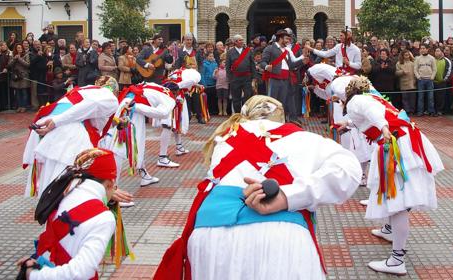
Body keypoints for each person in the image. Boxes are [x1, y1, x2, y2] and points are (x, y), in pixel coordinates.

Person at [154, 95, 362, 280]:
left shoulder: (223, 138)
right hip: (281, 237)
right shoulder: (304, 137)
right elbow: (349, 169)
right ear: (282, 117)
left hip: (209, 235)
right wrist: (288, 196)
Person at [339, 76, 443, 276]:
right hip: (406, 140)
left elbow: (373, 114)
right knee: (399, 197)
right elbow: (370, 113)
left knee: (397, 203)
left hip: (395, 145)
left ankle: (396, 260)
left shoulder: (356, 101)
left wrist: (383, 128)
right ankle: (389, 230)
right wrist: (350, 123)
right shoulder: (373, 97)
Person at [17, 148, 117, 280]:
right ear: (109, 184)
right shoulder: (104, 217)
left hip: (49, 266)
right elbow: (82, 271)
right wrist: (33, 275)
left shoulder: (63, 194)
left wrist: (35, 262)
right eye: (115, 187)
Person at [22, 76, 119, 198]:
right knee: (68, 183)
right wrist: (56, 122)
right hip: (67, 131)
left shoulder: (86, 90)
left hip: (53, 127)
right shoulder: (110, 97)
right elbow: (93, 104)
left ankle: (49, 211)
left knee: (50, 180)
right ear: (115, 92)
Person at [100, 83, 177, 206]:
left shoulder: (156, 87)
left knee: (137, 144)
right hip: (131, 109)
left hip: (129, 104)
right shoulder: (170, 99)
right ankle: (112, 193)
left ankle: (144, 175)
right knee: (120, 147)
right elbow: (162, 113)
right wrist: (137, 106)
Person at [156, 68, 201, 168]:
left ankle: (179, 147)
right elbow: (182, 85)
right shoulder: (187, 79)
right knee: (167, 125)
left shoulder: (177, 73)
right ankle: (162, 157)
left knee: (176, 123)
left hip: (173, 97)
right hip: (171, 98)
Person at [261, 30, 306, 123]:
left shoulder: (287, 51)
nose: (289, 41)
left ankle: (281, 120)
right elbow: (263, 61)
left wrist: (302, 61)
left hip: (285, 79)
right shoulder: (270, 48)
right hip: (274, 78)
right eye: (286, 39)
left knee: (282, 102)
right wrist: (266, 66)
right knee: (273, 101)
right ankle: (270, 121)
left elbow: (291, 65)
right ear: (280, 38)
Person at [175, 33, 207, 124]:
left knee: (197, 98)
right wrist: (178, 74)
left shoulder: (197, 51)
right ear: (184, 40)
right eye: (187, 39)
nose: (189, 41)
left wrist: (199, 74)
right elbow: (178, 64)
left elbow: (201, 64)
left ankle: (199, 116)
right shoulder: (180, 51)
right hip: (185, 78)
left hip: (195, 77)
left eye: (190, 40)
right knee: (186, 98)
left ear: (193, 40)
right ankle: (187, 116)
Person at [225, 34, 256, 113]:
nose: (242, 41)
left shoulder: (248, 51)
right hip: (235, 78)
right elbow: (227, 67)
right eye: (240, 40)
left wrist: (254, 77)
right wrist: (230, 78)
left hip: (247, 78)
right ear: (235, 42)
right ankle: (238, 115)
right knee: (236, 99)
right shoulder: (230, 52)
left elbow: (252, 64)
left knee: (248, 97)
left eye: (242, 40)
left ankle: (246, 114)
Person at [414, 44, 437, 116]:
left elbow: (434, 69)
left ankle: (431, 111)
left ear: (427, 49)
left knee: (430, 97)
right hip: (421, 80)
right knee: (420, 97)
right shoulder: (418, 58)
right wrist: (418, 77)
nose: (422, 50)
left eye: (424, 48)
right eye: (421, 48)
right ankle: (420, 112)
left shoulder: (432, 58)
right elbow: (415, 69)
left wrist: (432, 77)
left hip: (429, 80)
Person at [8, 43, 31, 113]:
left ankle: (24, 106)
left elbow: (28, 65)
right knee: (17, 92)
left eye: (20, 48)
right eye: (18, 48)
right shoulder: (12, 55)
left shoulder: (26, 55)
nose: (19, 49)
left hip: (24, 76)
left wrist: (20, 59)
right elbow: (9, 65)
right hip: (16, 76)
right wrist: (14, 59)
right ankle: (19, 106)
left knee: (24, 92)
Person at [396, 50, 417, 114]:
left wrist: (415, 80)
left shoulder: (413, 63)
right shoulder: (399, 63)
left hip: (412, 83)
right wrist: (402, 72)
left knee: (412, 98)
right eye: (405, 55)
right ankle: (407, 111)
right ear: (402, 56)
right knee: (405, 99)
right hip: (404, 83)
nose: (407, 56)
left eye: (408, 55)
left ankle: (412, 110)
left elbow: (416, 72)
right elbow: (396, 73)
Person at [433, 47, 452, 115]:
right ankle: (434, 110)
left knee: (441, 97)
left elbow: (449, 71)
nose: (436, 52)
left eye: (438, 51)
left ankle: (440, 110)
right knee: (434, 97)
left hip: (442, 83)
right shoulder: (433, 59)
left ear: (441, 52)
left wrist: (444, 79)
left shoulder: (446, 60)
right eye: (435, 51)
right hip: (433, 82)